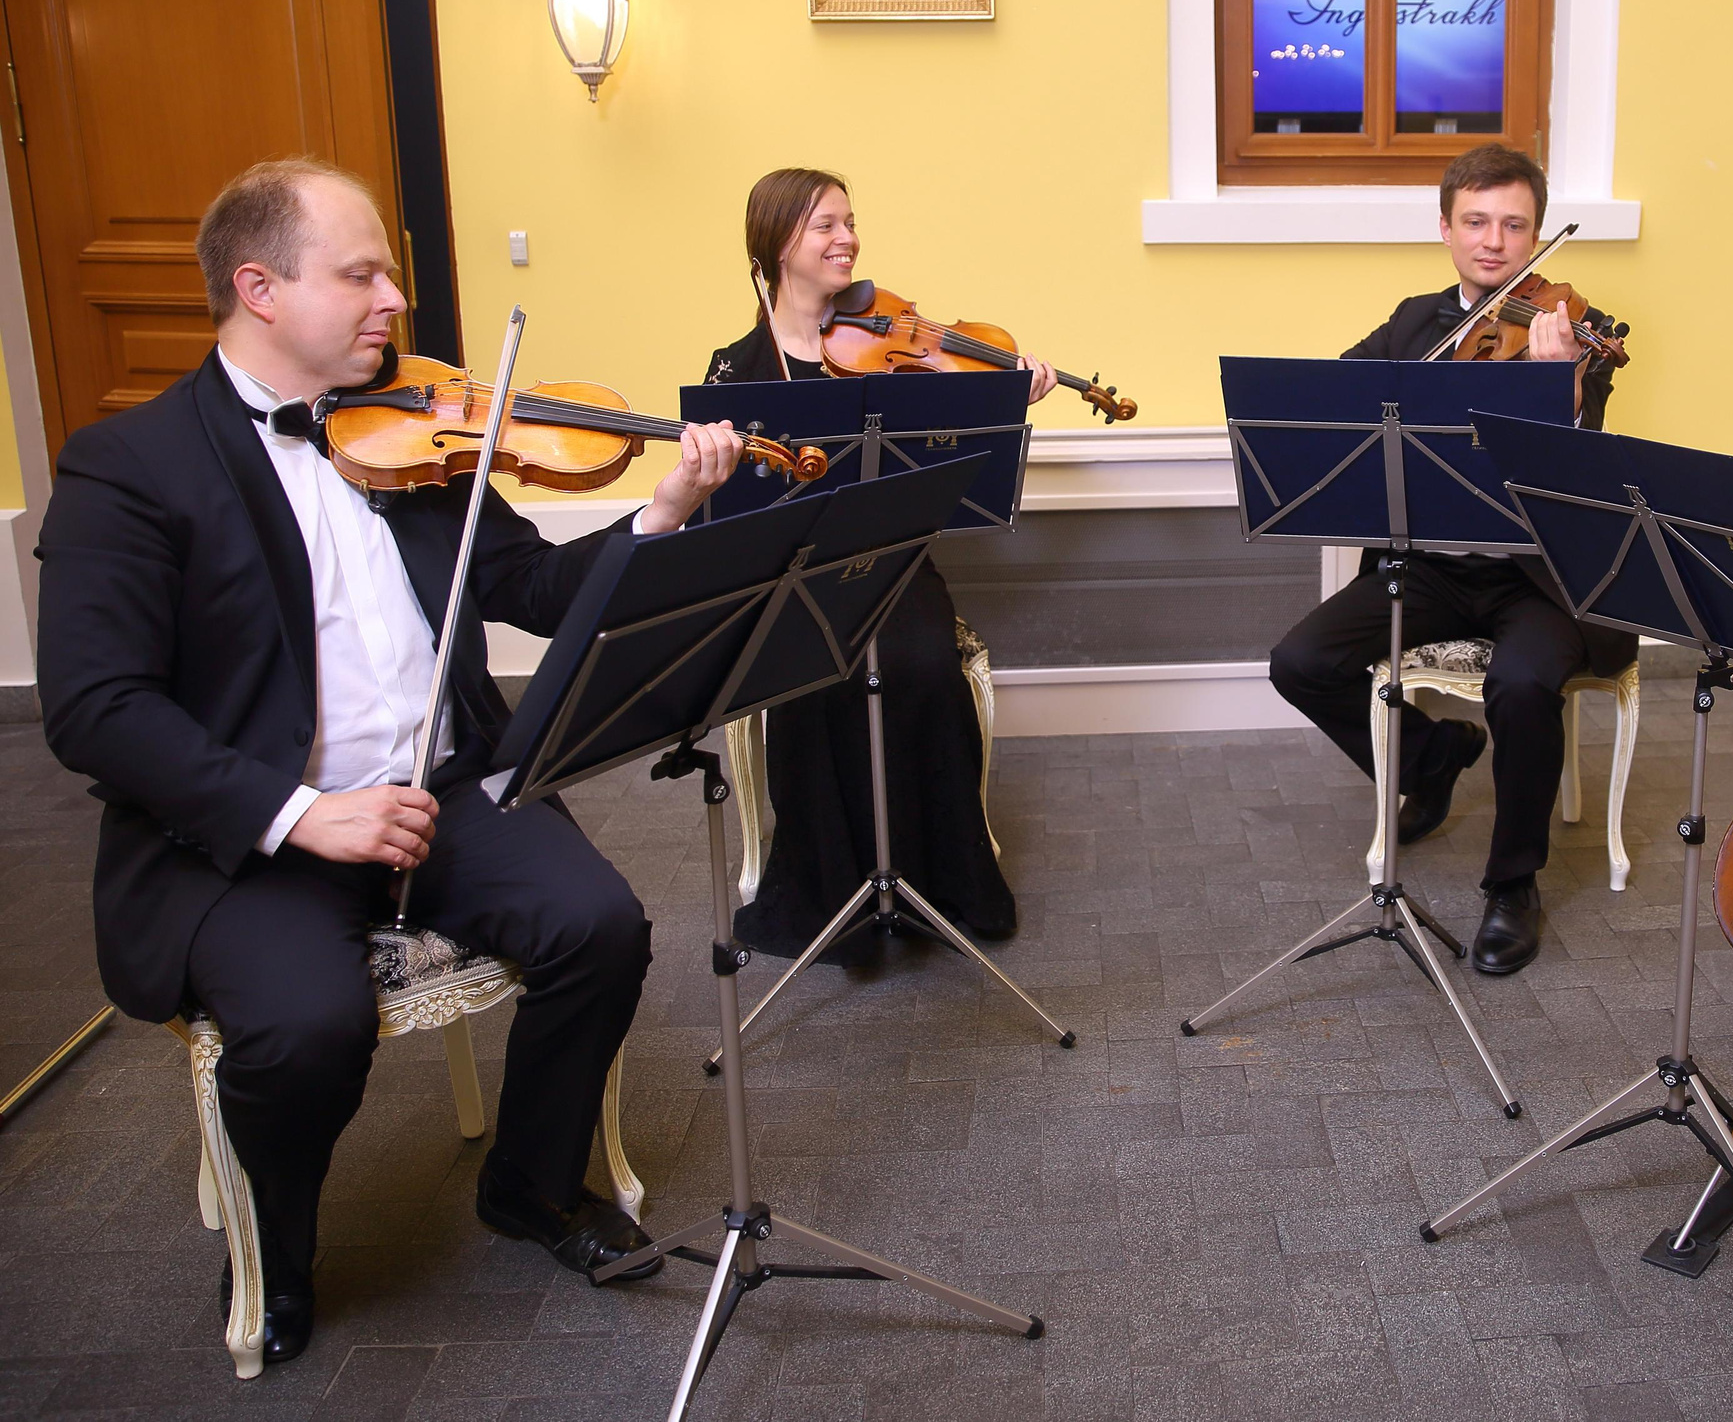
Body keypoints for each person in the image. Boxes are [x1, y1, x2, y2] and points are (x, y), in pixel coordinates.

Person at [36, 159, 745, 1361]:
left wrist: (664, 507)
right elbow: (95, 708)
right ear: (259, 288)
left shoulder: (410, 434)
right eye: (360, 274)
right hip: (253, 831)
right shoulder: (131, 467)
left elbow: (528, 586)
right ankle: (279, 1250)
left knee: (601, 928)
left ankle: (527, 1187)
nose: (393, 302)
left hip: (446, 787)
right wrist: (301, 814)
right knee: (308, 1024)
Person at [1266, 144, 1636, 976]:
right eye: (1477, 222)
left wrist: (1556, 383)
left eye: (1515, 225)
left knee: (1521, 681)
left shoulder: (1567, 330)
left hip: (1535, 577)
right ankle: (1435, 756)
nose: (1496, 242)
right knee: (1300, 661)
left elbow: (1583, 467)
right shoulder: (1413, 321)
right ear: (1446, 228)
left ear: (1537, 233)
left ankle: (1515, 884)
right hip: (1431, 567)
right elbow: (1338, 396)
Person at [703, 167, 1044, 956]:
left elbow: (952, 443)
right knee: (817, 676)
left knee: (922, 662)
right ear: (777, 242)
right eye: (826, 224)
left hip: (891, 559)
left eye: (850, 222)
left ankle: (938, 877)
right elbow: (724, 504)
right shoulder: (738, 366)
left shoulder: (886, 345)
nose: (847, 238)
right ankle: (832, 892)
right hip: (790, 574)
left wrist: (1011, 391)